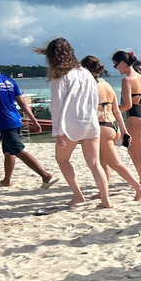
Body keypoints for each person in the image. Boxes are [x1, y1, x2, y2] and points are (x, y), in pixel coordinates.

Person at [34, 38, 111, 208]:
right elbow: (93, 99)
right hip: (90, 121)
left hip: (70, 124)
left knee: (62, 160)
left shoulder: (59, 75)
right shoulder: (85, 73)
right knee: (94, 163)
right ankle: (106, 200)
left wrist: (58, 131)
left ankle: (78, 196)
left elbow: (56, 104)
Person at [0, 54, 58, 189]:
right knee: (8, 151)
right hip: (15, 120)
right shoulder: (9, 81)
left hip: (5, 123)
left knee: (18, 150)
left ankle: (45, 175)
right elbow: (23, 104)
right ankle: (7, 180)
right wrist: (34, 120)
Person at [81, 56, 141, 201]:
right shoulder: (107, 85)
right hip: (113, 126)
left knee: (115, 163)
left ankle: (139, 188)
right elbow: (117, 111)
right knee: (103, 162)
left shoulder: (90, 86)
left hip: (102, 127)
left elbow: (89, 111)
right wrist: (123, 130)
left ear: (85, 69)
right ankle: (103, 191)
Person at [111, 51, 141, 193]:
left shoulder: (127, 80)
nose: (116, 69)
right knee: (133, 151)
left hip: (135, 117)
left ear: (123, 63)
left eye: (115, 66)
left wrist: (111, 109)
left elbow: (127, 106)